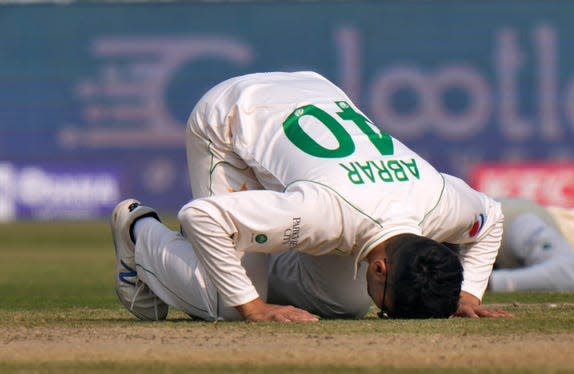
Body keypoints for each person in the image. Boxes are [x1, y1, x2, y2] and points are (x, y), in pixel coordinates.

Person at [110, 71, 509, 322]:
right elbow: (201, 217)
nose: (381, 311)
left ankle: (261, 256)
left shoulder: (443, 205)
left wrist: (468, 294)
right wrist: (254, 307)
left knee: (344, 304)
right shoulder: (325, 214)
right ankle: (137, 230)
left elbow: (491, 215)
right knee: (226, 305)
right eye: (386, 310)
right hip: (233, 118)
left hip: (311, 91)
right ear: (381, 269)